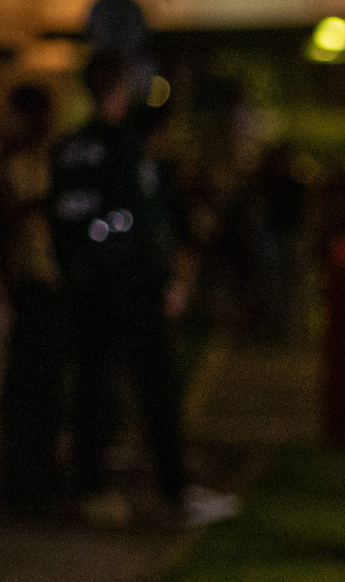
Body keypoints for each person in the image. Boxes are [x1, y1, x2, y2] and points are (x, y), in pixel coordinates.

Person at [50, 54, 234, 529]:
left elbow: (63, 221)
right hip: (132, 288)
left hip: (88, 289)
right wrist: (168, 280)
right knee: (156, 389)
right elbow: (146, 220)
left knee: (94, 388)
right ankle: (175, 489)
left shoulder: (69, 147)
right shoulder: (126, 148)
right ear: (119, 91)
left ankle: (90, 486)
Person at [0, 83, 66, 516]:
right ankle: (24, 484)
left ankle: (37, 480)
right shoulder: (15, 163)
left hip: (45, 285)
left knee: (41, 389)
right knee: (27, 389)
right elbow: (7, 220)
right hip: (30, 284)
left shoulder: (43, 160)